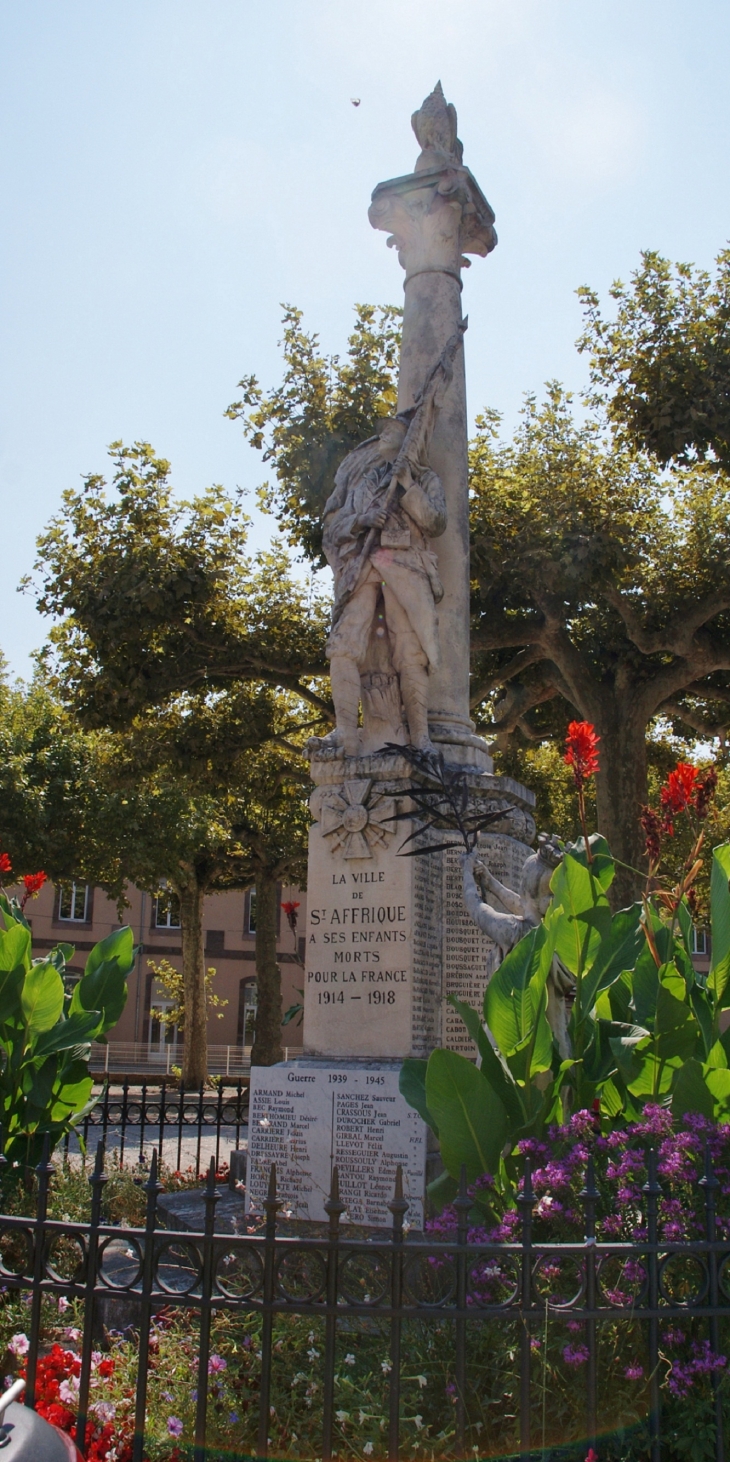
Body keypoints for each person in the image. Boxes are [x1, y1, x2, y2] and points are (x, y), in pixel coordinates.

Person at [317, 413, 447, 757]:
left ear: (409, 441)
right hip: (362, 567)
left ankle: (420, 739)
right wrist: (359, 521)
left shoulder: (424, 478)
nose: (383, 436)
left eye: (391, 431)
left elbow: (435, 522)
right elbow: (332, 529)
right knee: (343, 645)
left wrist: (408, 485)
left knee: (410, 652)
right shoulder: (362, 483)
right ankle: (346, 732)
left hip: (404, 567)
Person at [462, 835, 574, 1058]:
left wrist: (465, 871)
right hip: (557, 1046)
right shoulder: (560, 936)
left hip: (515, 1047)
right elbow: (526, 906)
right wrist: (491, 883)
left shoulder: (514, 931)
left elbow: (476, 908)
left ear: (527, 888)